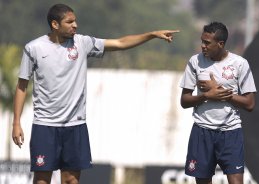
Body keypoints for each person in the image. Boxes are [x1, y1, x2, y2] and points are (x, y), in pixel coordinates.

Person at [11, 3, 179, 184]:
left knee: (71, 180)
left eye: (75, 21)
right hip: (45, 125)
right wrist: (16, 123)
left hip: (75, 125)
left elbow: (120, 43)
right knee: (42, 180)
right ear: (55, 24)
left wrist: (151, 35)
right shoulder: (34, 48)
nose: (75, 25)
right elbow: (22, 86)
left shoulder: (82, 43)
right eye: (69, 22)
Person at [180, 22, 256, 184]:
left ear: (220, 44)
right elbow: (184, 101)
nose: (202, 46)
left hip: (231, 133)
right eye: (202, 41)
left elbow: (249, 104)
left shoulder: (240, 64)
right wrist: (207, 95)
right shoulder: (195, 62)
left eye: (207, 43)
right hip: (202, 131)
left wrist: (222, 94)